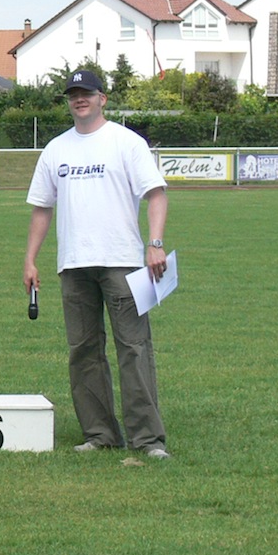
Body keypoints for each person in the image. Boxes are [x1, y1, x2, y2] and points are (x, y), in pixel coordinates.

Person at [24, 69, 172, 459]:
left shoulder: (127, 143)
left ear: (102, 98)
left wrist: (155, 244)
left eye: (86, 93)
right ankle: (100, 433)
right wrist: (30, 259)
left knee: (134, 349)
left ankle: (148, 439)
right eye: (73, 94)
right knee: (83, 351)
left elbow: (156, 195)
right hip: (74, 264)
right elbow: (42, 209)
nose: (79, 99)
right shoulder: (55, 149)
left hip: (122, 261)